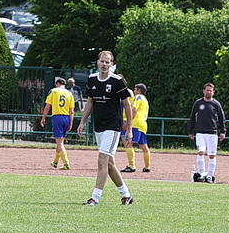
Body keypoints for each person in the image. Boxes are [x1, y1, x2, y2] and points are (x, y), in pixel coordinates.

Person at [76, 50, 133, 205]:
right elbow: (90, 102)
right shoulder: (92, 79)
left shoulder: (117, 81)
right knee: (109, 164)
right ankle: (126, 195)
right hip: (99, 126)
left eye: (107, 62)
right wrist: (82, 122)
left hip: (112, 126)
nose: (104, 64)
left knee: (102, 161)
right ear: (97, 62)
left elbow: (127, 105)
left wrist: (129, 129)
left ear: (111, 64)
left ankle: (95, 198)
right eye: (102, 61)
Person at [188, 83, 226, 183]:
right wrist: (190, 131)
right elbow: (192, 117)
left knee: (212, 155)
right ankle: (201, 174)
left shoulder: (216, 104)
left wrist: (223, 132)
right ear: (203, 91)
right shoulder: (198, 103)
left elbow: (222, 118)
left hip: (212, 133)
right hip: (200, 132)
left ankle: (209, 175)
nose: (208, 92)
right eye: (207, 90)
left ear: (213, 92)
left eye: (210, 90)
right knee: (201, 152)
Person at [39, 76, 75, 169]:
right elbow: (72, 111)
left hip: (57, 117)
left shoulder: (53, 91)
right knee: (60, 141)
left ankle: (66, 163)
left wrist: (43, 117)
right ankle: (55, 162)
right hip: (66, 117)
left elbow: (48, 106)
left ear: (57, 84)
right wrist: (71, 123)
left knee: (59, 143)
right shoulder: (69, 93)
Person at [122, 82, 151, 173]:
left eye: (135, 89)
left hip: (136, 123)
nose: (134, 91)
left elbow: (134, 109)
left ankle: (132, 166)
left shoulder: (138, 97)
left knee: (128, 143)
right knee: (144, 146)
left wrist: (128, 122)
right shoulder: (145, 100)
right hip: (143, 124)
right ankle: (147, 166)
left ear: (139, 90)